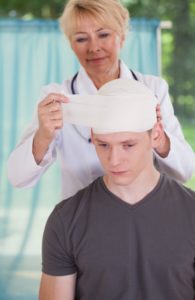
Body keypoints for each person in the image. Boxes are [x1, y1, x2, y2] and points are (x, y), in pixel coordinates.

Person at [7, 0, 194, 200]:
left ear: (121, 36)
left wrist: (159, 136)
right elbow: (18, 178)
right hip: (82, 222)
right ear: (71, 44)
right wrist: (43, 135)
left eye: (103, 35)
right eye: (81, 39)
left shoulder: (153, 89)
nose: (94, 47)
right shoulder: (57, 98)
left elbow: (184, 172)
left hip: (146, 215)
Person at [39, 79, 195, 300]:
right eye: (103, 145)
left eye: (128, 145)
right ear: (92, 136)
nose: (114, 160)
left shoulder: (191, 213)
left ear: (156, 135)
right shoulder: (65, 220)